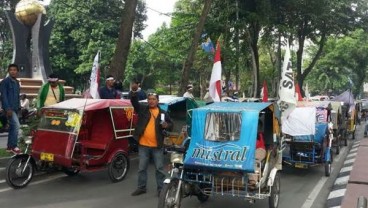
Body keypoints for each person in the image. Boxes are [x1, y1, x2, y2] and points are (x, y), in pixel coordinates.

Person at [129, 91, 173, 197]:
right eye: (149, 99)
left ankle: (160, 189)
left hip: (157, 145)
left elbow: (171, 125)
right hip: (143, 145)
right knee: (142, 168)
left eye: (153, 99)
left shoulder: (163, 113)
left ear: (157, 101)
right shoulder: (143, 109)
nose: (151, 101)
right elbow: (134, 103)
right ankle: (141, 187)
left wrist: (166, 125)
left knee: (159, 168)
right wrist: (134, 93)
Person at [0, 64, 21, 154]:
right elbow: (3, 96)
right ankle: (13, 146)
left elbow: (17, 96)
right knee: (17, 126)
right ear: (8, 71)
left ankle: (9, 147)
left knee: (13, 127)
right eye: (11, 70)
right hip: (9, 109)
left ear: (17, 71)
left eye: (15, 70)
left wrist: (19, 107)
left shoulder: (16, 82)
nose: (13, 71)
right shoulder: (5, 82)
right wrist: (7, 109)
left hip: (15, 108)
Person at [248, 120, 266, 187]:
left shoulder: (258, 134)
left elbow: (255, 144)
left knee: (254, 160)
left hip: (260, 150)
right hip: (251, 150)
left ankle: (253, 181)